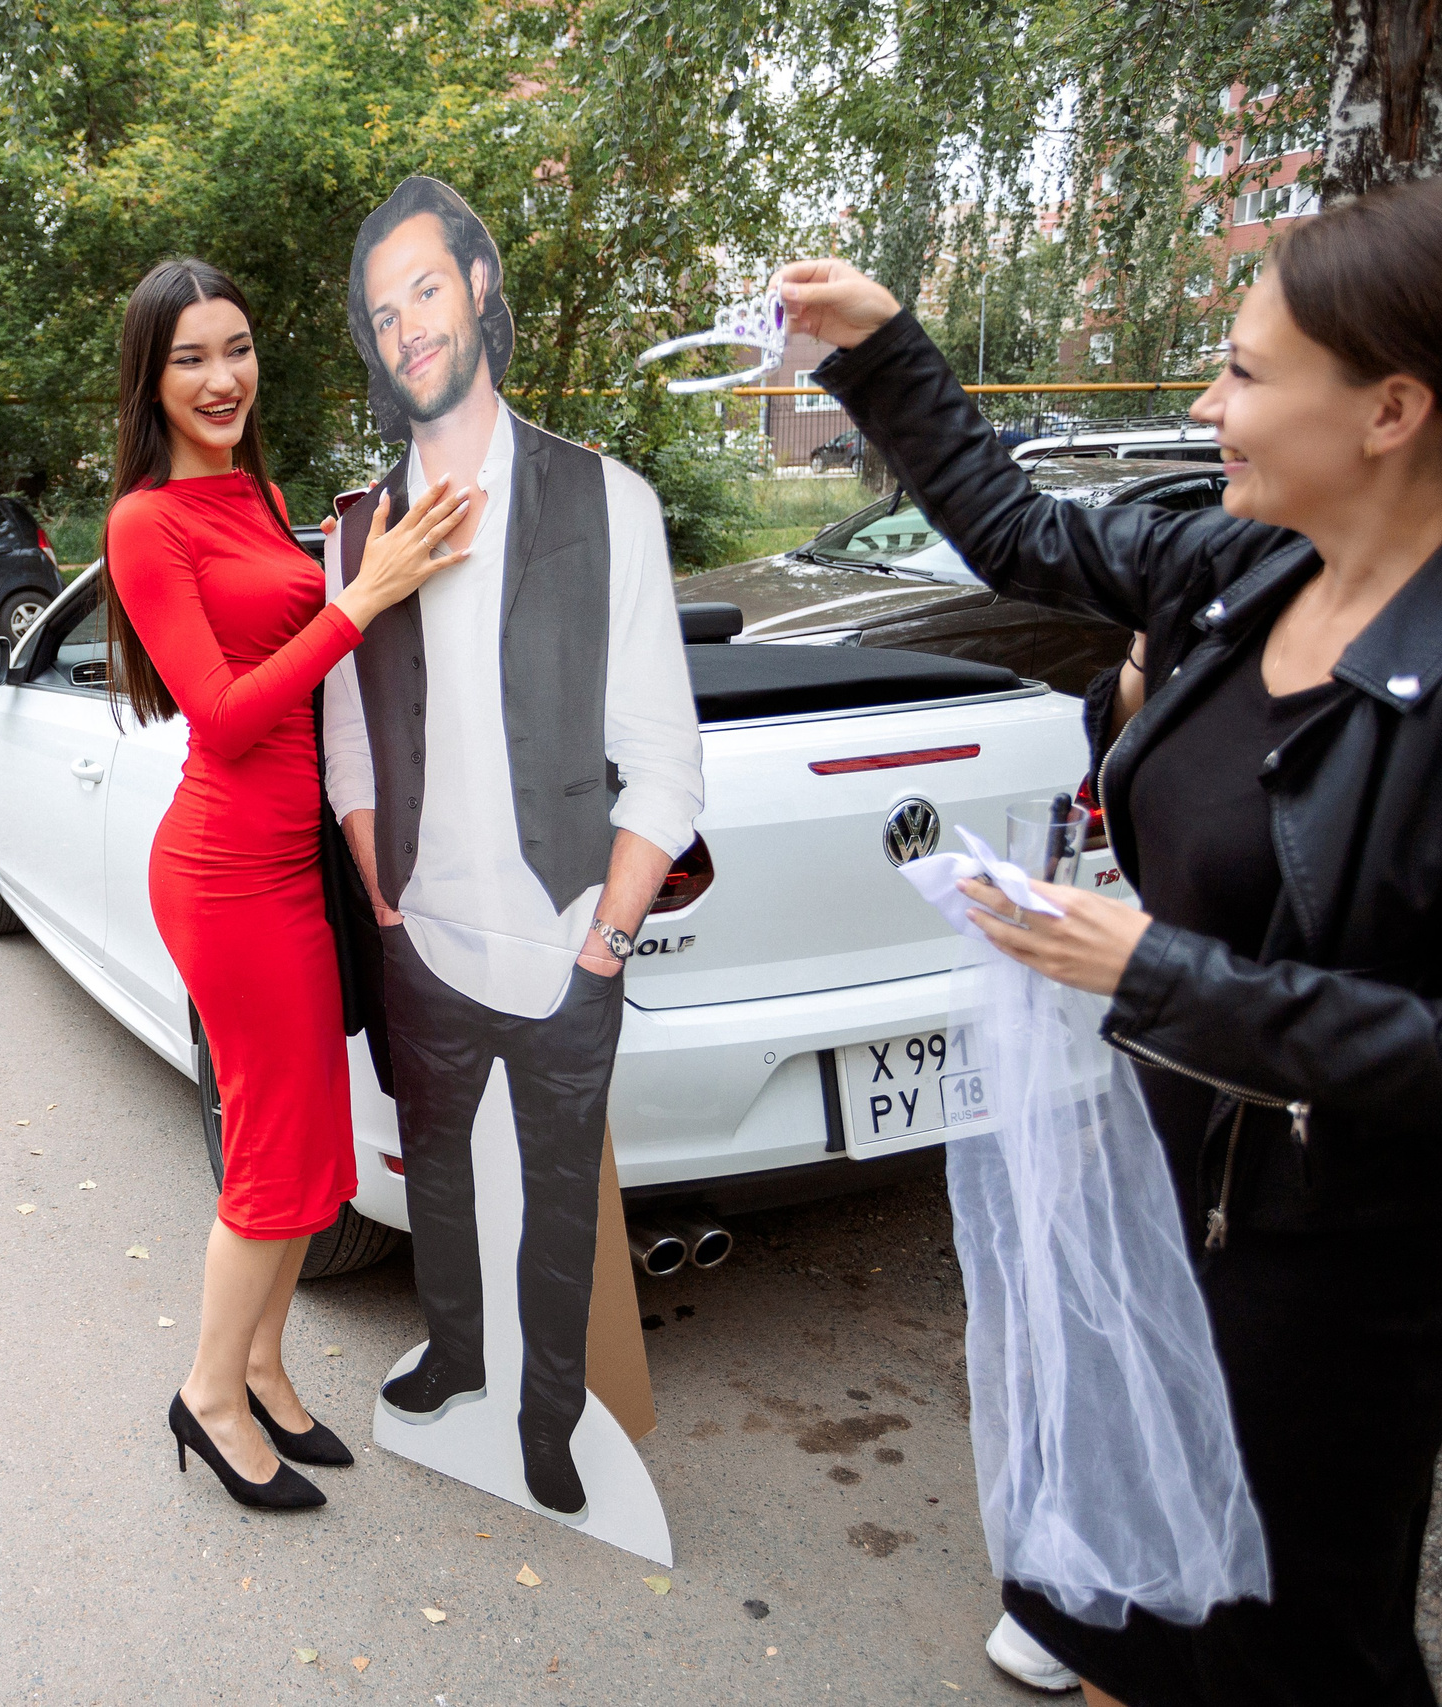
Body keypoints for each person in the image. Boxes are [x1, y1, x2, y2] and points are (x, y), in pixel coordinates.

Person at [781, 172, 1442, 1706]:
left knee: (1286, 1648)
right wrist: (878, 344)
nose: (1209, 406)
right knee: (1121, 1614)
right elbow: (1018, 530)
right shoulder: (1248, 571)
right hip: (1147, 1195)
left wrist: (1152, 970)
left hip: (1323, 1274)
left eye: (1247, 374)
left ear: (1392, 409)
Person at [324, 176, 704, 1516]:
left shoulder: (608, 501)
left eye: (425, 289)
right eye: (383, 313)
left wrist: (607, 937)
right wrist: (382, 895)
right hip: (420, 931)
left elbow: (666, 760)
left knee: (554, 1201)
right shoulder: (356, 531)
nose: (408, 328)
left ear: (479, 287)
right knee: (437, 1172)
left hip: (563, 934)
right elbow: (351, 742)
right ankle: (457, 1352)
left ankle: (548, 1418)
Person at [103, 257, 466, 1509]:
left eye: (238, 349)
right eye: (190, 359)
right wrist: (360, 601)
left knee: (311, 1139)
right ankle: (207, 1396)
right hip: (222, 873)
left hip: (290, 863)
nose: (223, 379)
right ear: (150, 381)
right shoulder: (145, 523)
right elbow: (224, 710)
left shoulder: (258, 494)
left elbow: (318, 666)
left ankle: (261, 1364)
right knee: (268, 1147)